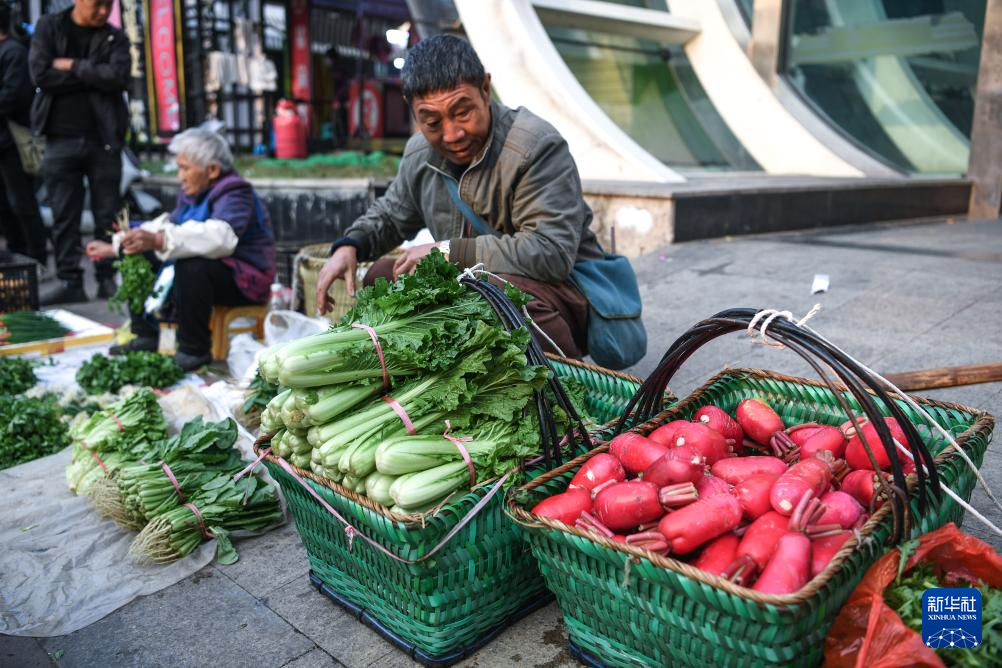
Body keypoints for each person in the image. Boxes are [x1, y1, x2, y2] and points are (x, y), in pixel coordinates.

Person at [314, 35, 605, 359]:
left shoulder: (537, 147)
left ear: (485, 89)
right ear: (413, 111)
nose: (452, 134)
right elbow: (393, 213)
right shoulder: (420, 153)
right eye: (432, 121)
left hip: (560, 292)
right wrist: (351, 244)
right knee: (381, 277)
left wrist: (447, 251)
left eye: (462, 112)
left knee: (497, 297)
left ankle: (556, 379)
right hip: (475, 282)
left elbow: (550, 254)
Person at [86, 128, 277, 372]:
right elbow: (170, 225)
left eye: (185, 168)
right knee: (139, 253)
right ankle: (146, 335)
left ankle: (193, 350)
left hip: (245, 281)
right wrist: (117, 245)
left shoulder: (235, 192)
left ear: (213, 170)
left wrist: (158, 239)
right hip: (218, 275)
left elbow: (221, 237)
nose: (180, 176)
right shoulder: (193, 194)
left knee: (191, 264)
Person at [29, 0, 130, 305]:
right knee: (64, 214)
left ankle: (106, 278)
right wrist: (94, 76)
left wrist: (72, 65)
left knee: (108, 214)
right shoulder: (50, 27)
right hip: (59, 138)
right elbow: (41, 75)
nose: (103, 11)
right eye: (97, 5)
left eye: (108, 5)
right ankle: (70, 280)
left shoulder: (115, 37)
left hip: (104, 139)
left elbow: (118, 77)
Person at [0, 3, 47, 267]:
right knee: (4, 207)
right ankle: (15, 257)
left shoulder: (14, 52)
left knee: (22, 204)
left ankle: (35, 259)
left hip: (12, 145)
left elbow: (14, 97)